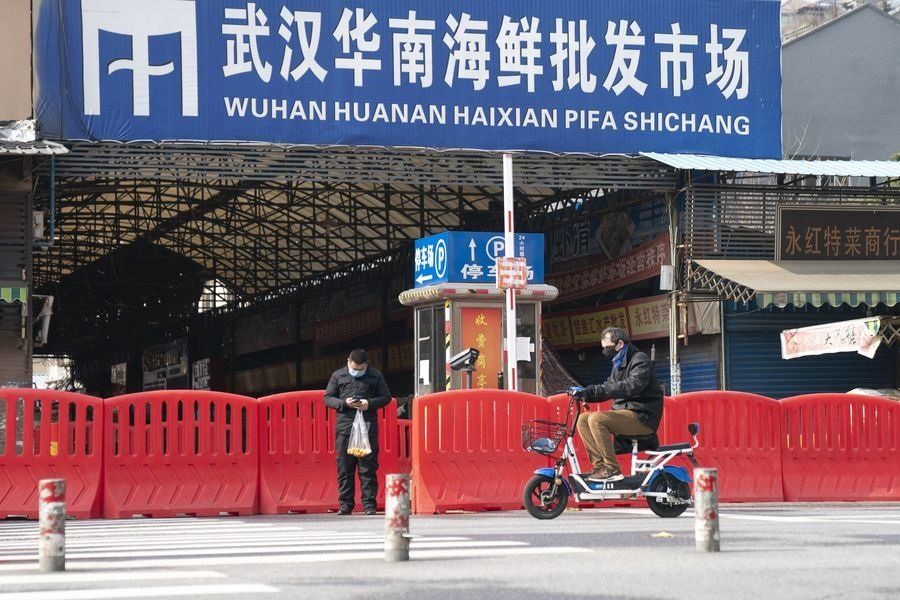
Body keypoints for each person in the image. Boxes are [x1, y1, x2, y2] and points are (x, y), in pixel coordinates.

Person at [573, 327, 664, 482]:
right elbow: (608, 387)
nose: (605, 352)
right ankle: (600, 467)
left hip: (642, 415)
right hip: (627, 413)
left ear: (619, 344)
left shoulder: (640, 360)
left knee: (596, 419)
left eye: (607, 347)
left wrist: (594, 390)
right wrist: (587, 394)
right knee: (583, 419)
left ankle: (612, 469)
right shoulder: (618, 364)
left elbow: (631, 386)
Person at [324, 348, 392, 515]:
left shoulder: (375, 376)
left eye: (361, 370)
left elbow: (386, 397)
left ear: (366, 365)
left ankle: (369, 505)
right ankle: (345, 505)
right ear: (348, 362)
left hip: (367, 429)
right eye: (354, 368)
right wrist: (344, 403)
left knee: (367, 468)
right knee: (344, 468)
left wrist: (369, 403)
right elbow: (327, 398)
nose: (357, 372)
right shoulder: (338, 375)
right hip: (345, 429)